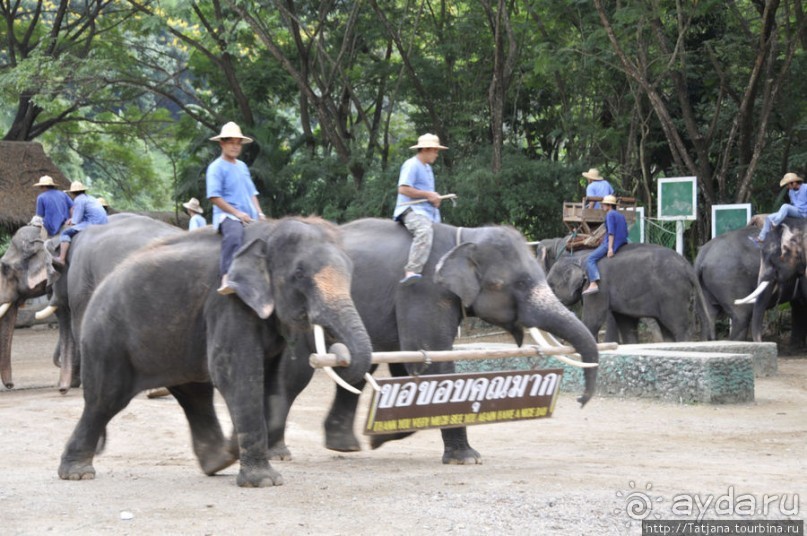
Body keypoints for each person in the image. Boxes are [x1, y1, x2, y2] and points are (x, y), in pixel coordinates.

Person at [206, 121, 265, 295]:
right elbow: (214, 197)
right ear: (222, 143)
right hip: (228, 216)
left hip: (249, 216)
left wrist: (260, 213)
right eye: (231, 142)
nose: (234, 146)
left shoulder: (242, 166)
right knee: (234, 236)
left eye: (237, 143)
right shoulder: (216, 168)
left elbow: (252, 192)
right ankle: (227, 276)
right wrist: (237, 213)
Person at [392, 133, 448, 286]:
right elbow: (403, 189)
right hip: (410, 211)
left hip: (427, 213)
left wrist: (434, 200)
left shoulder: (428, 169)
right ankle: (412, 270)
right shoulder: (411, 165)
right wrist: (428, 195)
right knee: (424, 231)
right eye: (435, 150)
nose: (437, 154)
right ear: (425, 149)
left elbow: (427, 195)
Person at [53, 181, 109, 267]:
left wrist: (71, 221)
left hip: (93, 223)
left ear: (72, 192)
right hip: (104, 222)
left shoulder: (78, 200)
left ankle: (62, 258)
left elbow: (76, 221)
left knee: (65, 233)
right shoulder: (90, 198)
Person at [582, 194, 628, 295]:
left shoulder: (610, 215)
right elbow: (625, 232)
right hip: (622, 242)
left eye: (603, 205)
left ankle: (593, 283)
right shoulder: (620, 215)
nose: (602, 206)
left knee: (590, 259)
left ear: (609, 205)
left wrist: (610, 248)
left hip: (612, 243)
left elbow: (611, 232)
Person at [755, 172, 807, 243]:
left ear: (794, 183)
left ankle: (775, 223)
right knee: (769, 218)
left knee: (785, 206)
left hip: (804, 212)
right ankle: (761, 237)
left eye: (788, 184)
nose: (787, 187)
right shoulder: (791, 192)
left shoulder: (805, 188)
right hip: (796, 211)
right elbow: (793, 204)